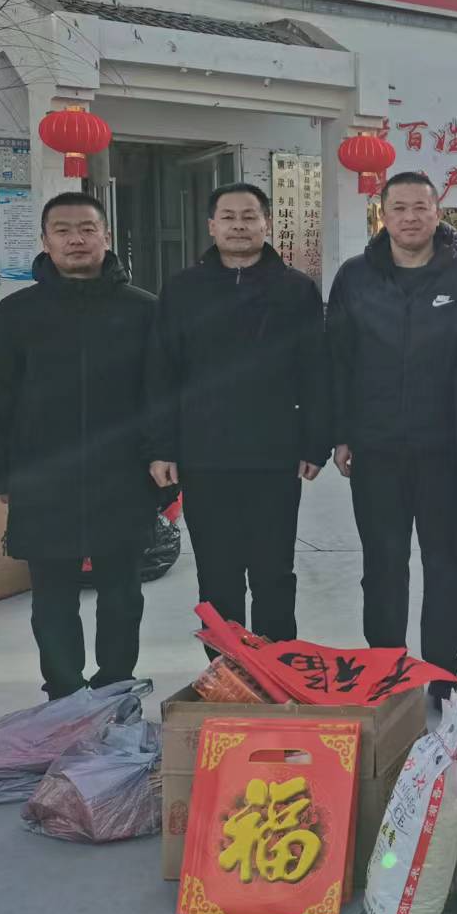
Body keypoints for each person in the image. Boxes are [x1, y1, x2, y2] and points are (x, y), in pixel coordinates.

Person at [0, 193, 159, 699]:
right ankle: (63, 694)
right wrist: (1, 474)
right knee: (52, 599)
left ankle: (116, 687)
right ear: (45, 241)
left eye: (86, 228)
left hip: (123, 475)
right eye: (62, 230)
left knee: (122, 594)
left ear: (106, 236)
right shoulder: (18, 312)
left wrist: (162, 463)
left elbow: (163, 395)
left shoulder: (144, 309)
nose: (75, 239)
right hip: (43, 475)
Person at [327, 171, 457, 692]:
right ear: (383, 215)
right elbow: (338, 361)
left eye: (421, 206)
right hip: (376, 449)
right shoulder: (355, 277)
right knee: (382, 564)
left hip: (445, 452)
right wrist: (342, 433)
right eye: (398, 208)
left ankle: (442, 671)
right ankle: (385, 670)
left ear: (437, 212)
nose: (410, 217)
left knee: (445, 564)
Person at [145, 182, 330, 645]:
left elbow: (316, 370)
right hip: (204, 455)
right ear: (212, 226)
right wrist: (162, 446)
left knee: (274, 572)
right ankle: (226, 672)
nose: (239, 226)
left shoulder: (296, 289)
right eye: (228, 217)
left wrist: (315, 442)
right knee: (216, 575)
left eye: (249, 217)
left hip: (275, 454)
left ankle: (278, 667)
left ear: (266, 224)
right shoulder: (183, 290)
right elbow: (162, 373)